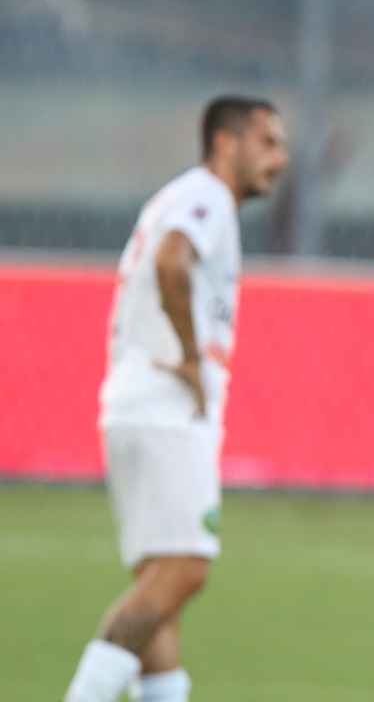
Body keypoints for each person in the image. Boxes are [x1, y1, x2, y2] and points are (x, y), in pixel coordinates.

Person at [65, 97, 289, 702]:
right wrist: (190, 356)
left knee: (160, 586)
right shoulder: (206, 196)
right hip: (165, 407)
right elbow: (171, 259)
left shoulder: (185, 197)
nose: (279, 158)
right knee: (185, 570)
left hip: (136, 404)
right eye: (267, 142)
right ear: (225, 142)